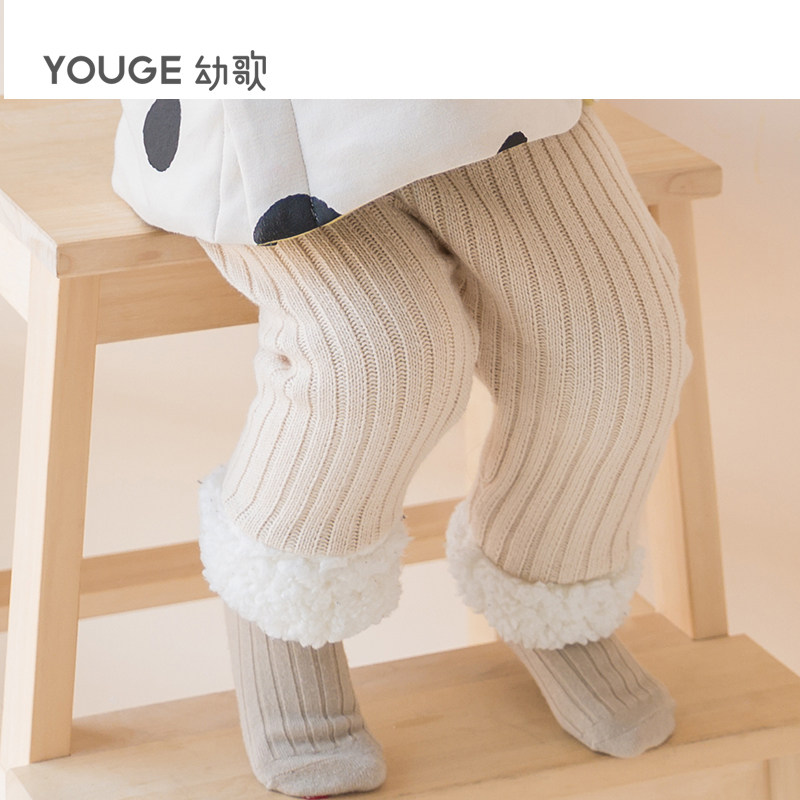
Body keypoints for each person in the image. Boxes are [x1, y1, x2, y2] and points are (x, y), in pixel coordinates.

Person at [113, 99, 691, 798]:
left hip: (478, 94)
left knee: (622, 345)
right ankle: (281, 612)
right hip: (269, 116)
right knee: (381, 357)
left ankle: (550, 586)